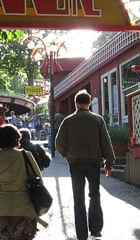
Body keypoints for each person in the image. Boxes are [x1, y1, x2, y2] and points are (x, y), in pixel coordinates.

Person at [56, 90, 115, 240]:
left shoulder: (68, 120)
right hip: (93, 162)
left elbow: (59, 142)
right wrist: (109, 163)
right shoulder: (97, 120)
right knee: (94, 194)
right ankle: (95, 229)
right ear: (89, 103)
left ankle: (81, 234)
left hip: (75, 162)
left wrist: (67, 154)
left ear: (76, 103)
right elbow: (106, 143)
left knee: (78, 197)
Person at [0, 124, 40, 240]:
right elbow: (39, 181)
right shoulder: (26, 156)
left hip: (0, 209)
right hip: (25, 209)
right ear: (16, 139)